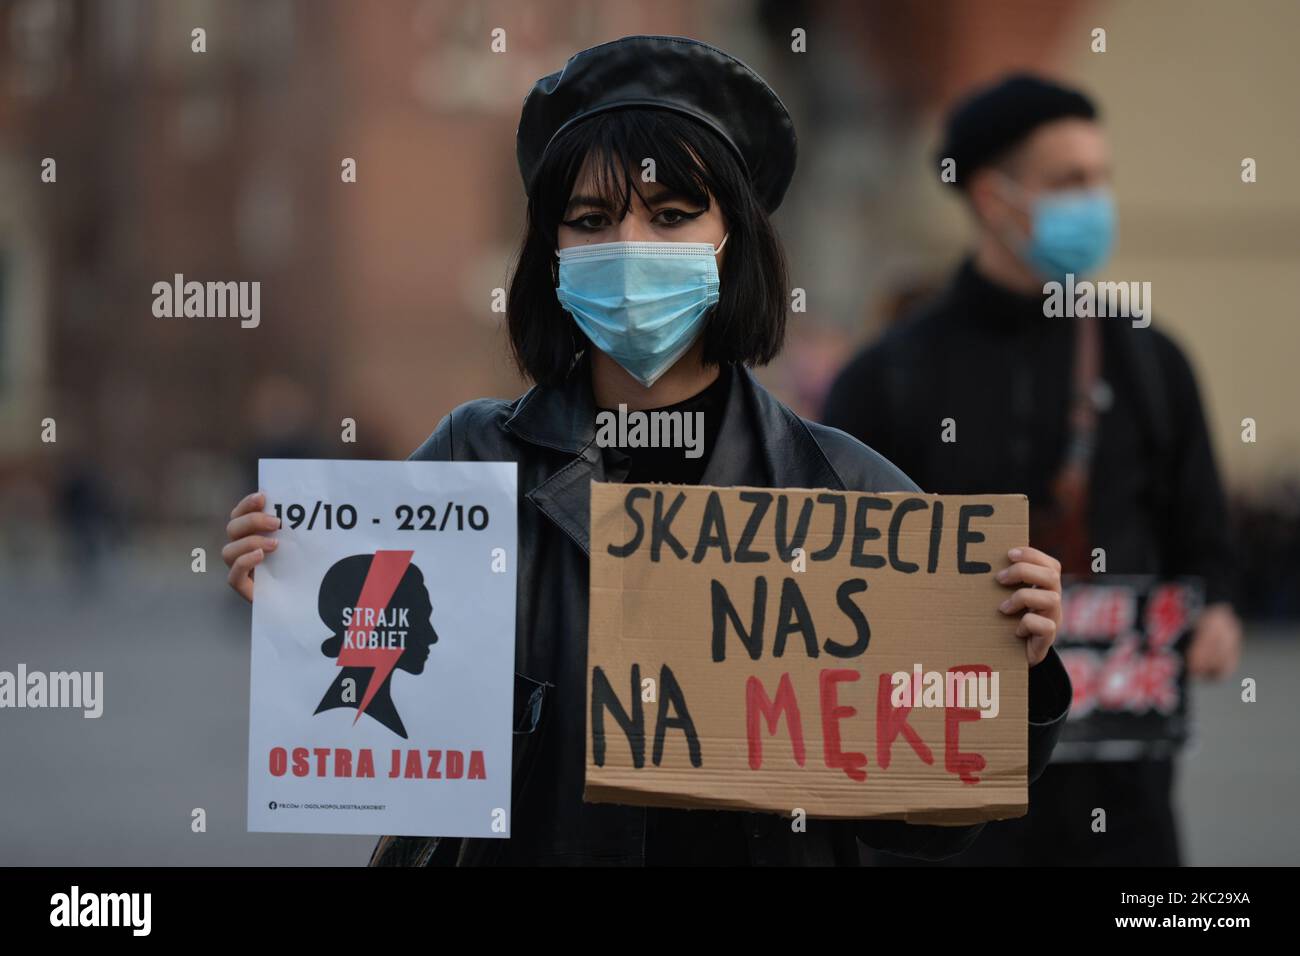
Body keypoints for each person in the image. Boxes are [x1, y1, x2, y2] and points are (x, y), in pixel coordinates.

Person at [224, 37, 1071, 867]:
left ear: (731, 238)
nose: (630, 247)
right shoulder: (471, 463)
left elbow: (931, 824)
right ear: (551, 256)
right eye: (591, 219)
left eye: (670, 215)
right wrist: (302, 596)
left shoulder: (845, 488)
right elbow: (380, 718)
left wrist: (1018, 668)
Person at [823, 73, 1241, 866]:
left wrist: (1216, 610)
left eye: (1101, 177)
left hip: (1126, 805)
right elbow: (833, 566)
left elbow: (1206, 541)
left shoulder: (1151, 360)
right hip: (952, 797)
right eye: (1069, 181)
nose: (1096, 200)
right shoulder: (888, 375)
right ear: (992, 197)